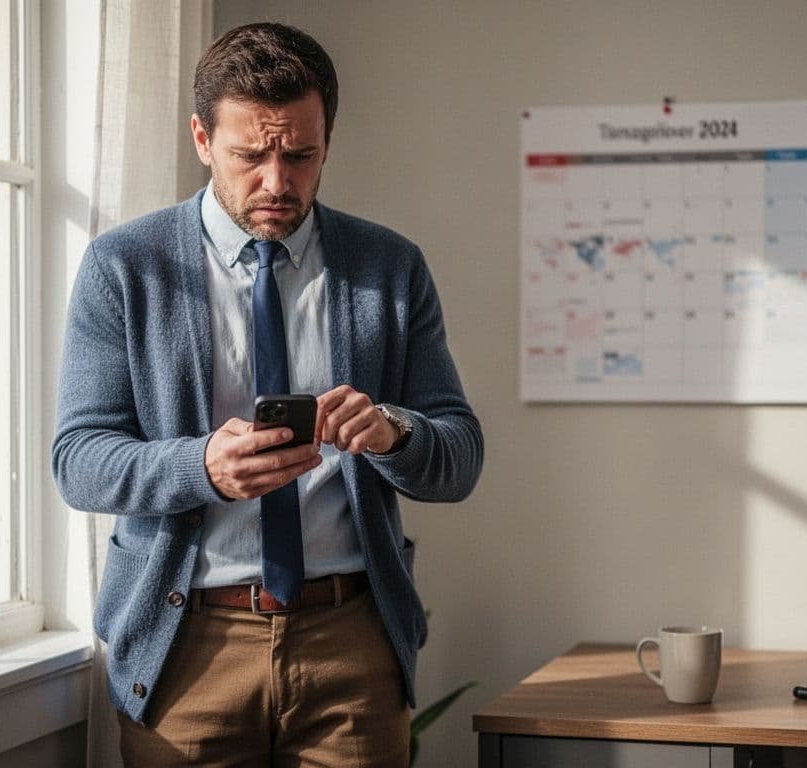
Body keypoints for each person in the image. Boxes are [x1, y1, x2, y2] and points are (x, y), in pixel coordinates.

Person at [51, 21, 484, 767]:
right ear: (201, 138)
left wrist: (393, 433)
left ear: (328, 140)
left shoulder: (388, 269)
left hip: (350, 644)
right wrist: (202, 469)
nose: (278, 182)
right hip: (187, 647)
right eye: (251, 155)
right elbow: (79, 459)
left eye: (301, 154)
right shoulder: (125, 267)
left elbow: (460, 455)